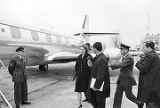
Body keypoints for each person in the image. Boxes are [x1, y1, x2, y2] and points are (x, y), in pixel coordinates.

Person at [110, 43, 142, 108]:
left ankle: (139, 103)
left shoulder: (129, 58)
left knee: (129, 95)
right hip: (121, 80)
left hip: (127, 80)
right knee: (117, 96)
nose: (120, 51)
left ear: (126, 50)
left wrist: (111, 65)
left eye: (121, 50)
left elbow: (121, 65)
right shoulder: (125, 57)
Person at [135, 41, 160, 108]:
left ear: (149, 48)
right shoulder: (154, 55)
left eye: (143, 47)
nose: (142, 49)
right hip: (153, 88)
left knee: (151, 105)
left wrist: (138, 62)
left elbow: (144, 69)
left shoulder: (150, 56)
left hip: (150, 89)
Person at [88, 42, 110, 108]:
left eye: (93, 48)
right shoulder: (99, 58)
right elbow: (98, 70)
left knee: (100, 104)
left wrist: (96, 86)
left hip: (100, 87)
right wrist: (92, 66)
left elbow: (101, 75)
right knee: (95, 102)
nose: (92, 49)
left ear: (95, 49)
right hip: (97, 86)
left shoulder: (101, 59)